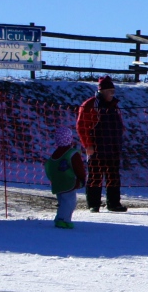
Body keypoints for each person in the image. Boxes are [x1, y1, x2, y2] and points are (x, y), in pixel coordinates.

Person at [76, 76, 126, 213]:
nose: (112, 94)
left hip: (113, 148)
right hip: (97, 147)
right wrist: (88, 145)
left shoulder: (114, 106)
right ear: (102, 91)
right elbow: (82, 127)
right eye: (110, 91)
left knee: (113, 176)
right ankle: (93, 204)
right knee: (95, 176)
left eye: (113, 91)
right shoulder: (90, 105)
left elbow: (119, 125)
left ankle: (114, 204)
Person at [44, 125, 85, 229]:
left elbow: (49, 168)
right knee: (69, 202)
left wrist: (53, 179)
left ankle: (60, 218)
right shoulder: (72, 154)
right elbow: (78, 168)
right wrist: (82, 178)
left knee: (62, 201)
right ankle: (63, 220)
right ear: (70, 139)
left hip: (57, 183)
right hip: (69, 182)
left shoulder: (54, 154)